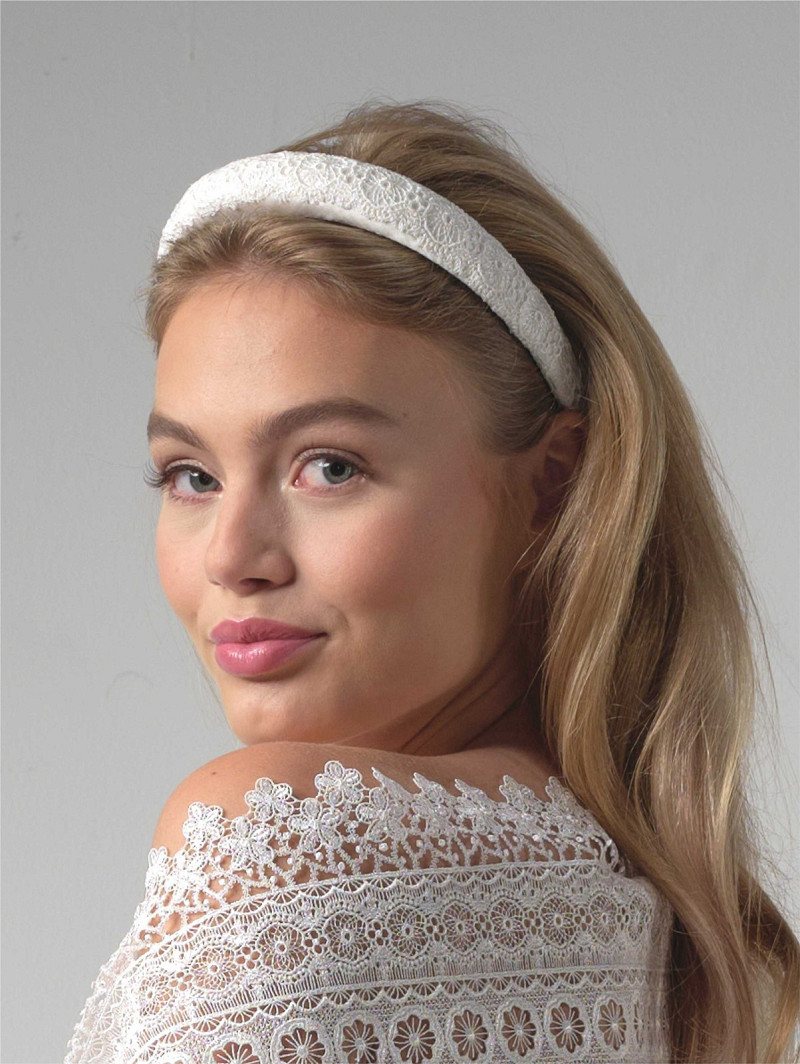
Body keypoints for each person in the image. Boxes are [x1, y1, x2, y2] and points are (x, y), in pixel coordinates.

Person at [64, 101, 799, 1064]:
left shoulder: (280, 850)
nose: (231, 556)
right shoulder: (688, 948)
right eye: (191, 477)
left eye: (329, 466)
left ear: (552, 484)